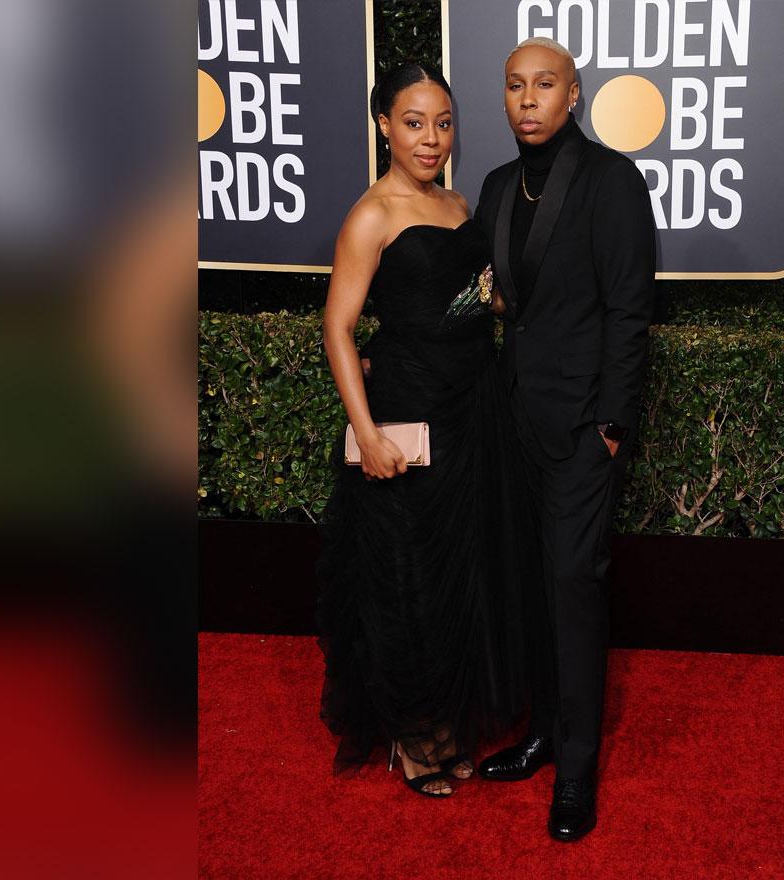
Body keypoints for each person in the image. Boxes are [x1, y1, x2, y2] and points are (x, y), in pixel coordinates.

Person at [316, 62, 529, 798]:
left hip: (475, 406)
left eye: (442, 123)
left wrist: (497, 299)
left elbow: (471, 300)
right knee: (411, 577)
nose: (431, 138)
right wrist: (366, 430)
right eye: (414, 122)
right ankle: (414, 737)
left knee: (463, 569)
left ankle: (450, 719)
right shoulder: (372, 213)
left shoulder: (457, 200)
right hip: (410, 411)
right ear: (383, 125)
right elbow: (338, 329)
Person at [473, 38, 658, 841]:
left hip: (584, 430)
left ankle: (577, 770)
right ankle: (543, 733)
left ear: (573, 95)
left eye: (545, 84)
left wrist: (612, 424)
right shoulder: (492, 188)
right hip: (513, 423)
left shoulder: (613, 180)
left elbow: (629, 310)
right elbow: (494, 303)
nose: (528, 99)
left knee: (573, 592)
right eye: (515, 85)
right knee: (530, 588)